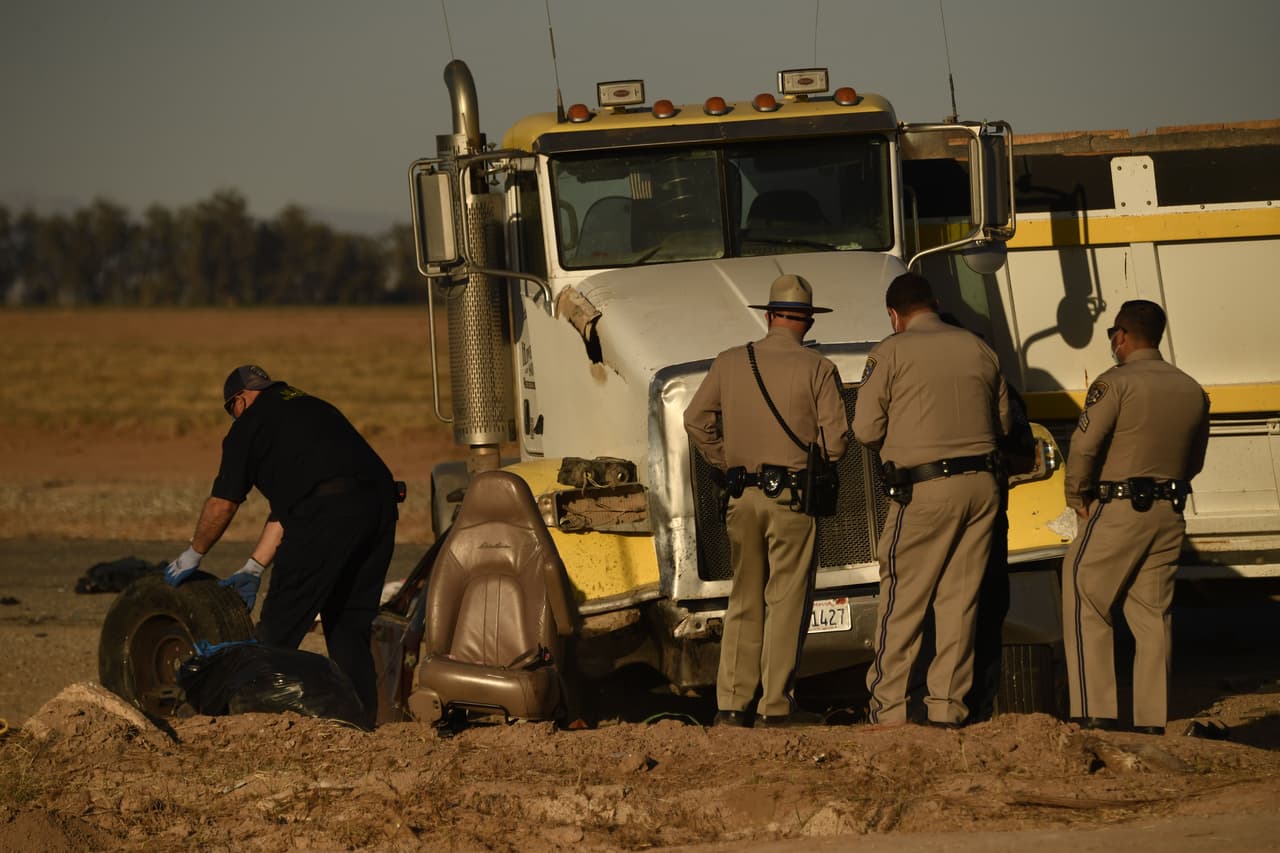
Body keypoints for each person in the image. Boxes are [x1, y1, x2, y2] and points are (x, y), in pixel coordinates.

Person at [164, 365, 398, 728]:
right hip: (379, 508)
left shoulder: (249, 425)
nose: (233, 418)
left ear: (239, 401)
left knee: (277, 630)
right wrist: (254, 566)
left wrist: (193, 553)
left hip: (327, 513)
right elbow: (293, 505)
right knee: (348, 627)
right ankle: (362, 726)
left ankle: (257, 725)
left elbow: (223, 503)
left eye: (231, 411)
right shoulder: (311, 406)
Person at [684, 274, 849, 728]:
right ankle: (775, 705)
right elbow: (836, 442)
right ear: (807, 322)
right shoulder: (818, 369)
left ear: (770, 315)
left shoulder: (731, 362)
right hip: (792, 498)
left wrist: (727, 460)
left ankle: (732, 705)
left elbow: (696, 420)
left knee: (744, 598)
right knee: (786, 599)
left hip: (741, 495)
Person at [852, 272, 1011, 728]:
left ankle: (888, 710)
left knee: (903, 599)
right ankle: (947, 710)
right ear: (936, 303)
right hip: (982, 488)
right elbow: (1001, 422)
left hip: (924, 489)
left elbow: (865, 430)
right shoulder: (978, 347)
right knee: (960, 602)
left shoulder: (891, 351)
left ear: (893, 315)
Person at [1062, 300, 1210, 734]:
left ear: (1121, 336)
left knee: (1083, 593)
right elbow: (1195, 460)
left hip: (1119, 507)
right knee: (1152, 616)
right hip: (1169, 511)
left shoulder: (1114, 384)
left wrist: (1078, 497)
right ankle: (1152, 722)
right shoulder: (1191, 389)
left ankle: (1095, 714)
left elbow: (1084, 447)